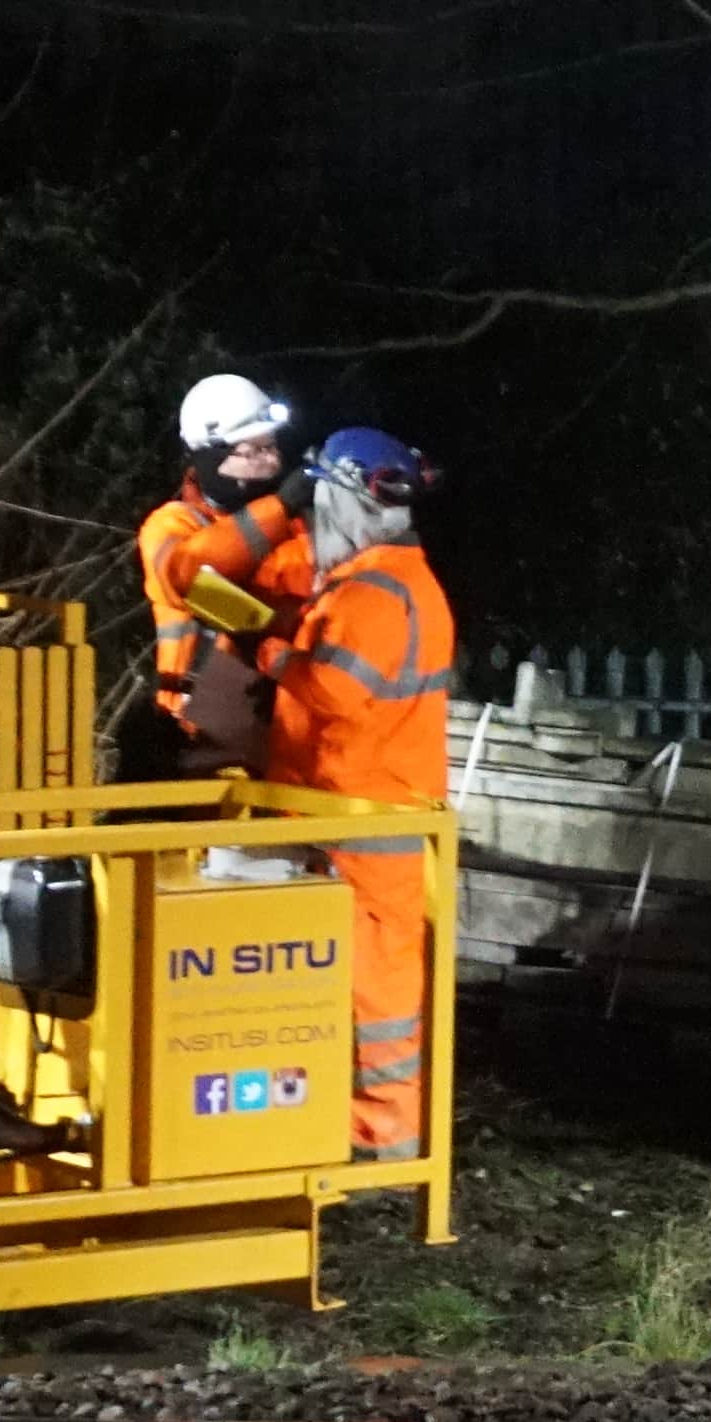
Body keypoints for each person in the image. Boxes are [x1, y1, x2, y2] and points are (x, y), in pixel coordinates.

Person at [265, 426, 454, 1159]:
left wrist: (278, 653)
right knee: (370, 989)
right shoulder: (387, 582)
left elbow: (335, 694)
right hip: (367, 817)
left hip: (367, 824)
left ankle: (386, 1133)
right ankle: (372, 1125)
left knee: (376, 994)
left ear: (345, 497)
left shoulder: (375, 591)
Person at [136, 373, 316, 767]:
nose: (273, 461)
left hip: (271, 741)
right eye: (255, 450)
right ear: (212, 455)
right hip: (193, 741)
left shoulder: (291, 528)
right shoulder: (170, 527)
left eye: (273, 447)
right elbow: (216, 600)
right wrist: (278, 513)